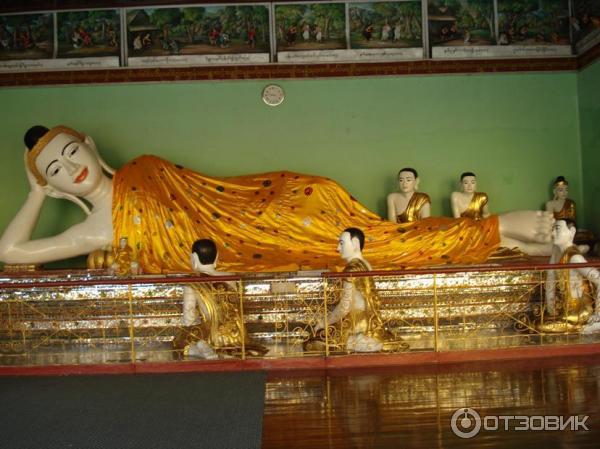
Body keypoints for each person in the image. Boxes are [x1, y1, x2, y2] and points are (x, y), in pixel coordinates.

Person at [0, 125, 555, 274]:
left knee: (357, 222)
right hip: (245, 245)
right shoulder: (95, 230)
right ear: (52, 184)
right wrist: (33, 196)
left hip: (260, 202)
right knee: (377, 248)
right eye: (54, 172)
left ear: (90, 146)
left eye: (71, 151)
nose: (70, 167)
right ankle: (498, 230)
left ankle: (502, 233)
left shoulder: (144, 169)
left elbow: (211, 194)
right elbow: (11, 252)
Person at [308, 228, 408, 352]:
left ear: (355, 243)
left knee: (313, 343)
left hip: (355, 324)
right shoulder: (365, 264)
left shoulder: (351, 270)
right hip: (370, 321)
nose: (338, 248)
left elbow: (345, 306)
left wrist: (324, 322)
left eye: (342, 243)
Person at [173, 238, 267, 358]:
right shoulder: (231, 278)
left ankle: (199, 349)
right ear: (217, 257)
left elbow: (188, 317)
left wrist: (195, 324)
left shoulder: (192, 282)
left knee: (180, 340)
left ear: (194, 258)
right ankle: (205, 348)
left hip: (212, 335)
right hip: (236, 335)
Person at [538, 220, 600, 333]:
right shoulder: (557, 252)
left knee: (541, 326)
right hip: (564, 309)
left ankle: (588, 326)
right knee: (539, 322)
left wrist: (598, 315)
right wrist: (551, 310)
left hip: (580, 313)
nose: (553, 233)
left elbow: (598, 279)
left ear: (572, 232)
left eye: (557, 229)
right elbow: (550, 277)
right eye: (552, 230)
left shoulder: (574, 257)